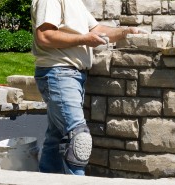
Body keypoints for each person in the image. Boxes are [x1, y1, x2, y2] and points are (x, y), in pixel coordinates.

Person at [31, 0, 144, 175]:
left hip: (70, 75)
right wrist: (83, 39)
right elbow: (44, 35)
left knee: (57, 138)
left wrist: (125, 32)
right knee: (78, 137)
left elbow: (96, 30)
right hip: (59, 72)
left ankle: (46, 177)